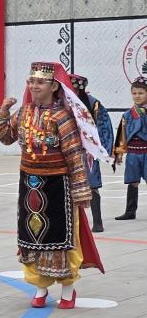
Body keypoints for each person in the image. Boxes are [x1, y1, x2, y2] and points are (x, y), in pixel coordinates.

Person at [0, 62, 107, 309]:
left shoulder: (62, 116)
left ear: (54, 86)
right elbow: (6, 138)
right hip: (29, 183)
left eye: (40, 82)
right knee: (32, 235)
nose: (34, 86)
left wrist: (81, 189)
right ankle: (40, 288)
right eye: (31, 81)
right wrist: (3, 112)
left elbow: (74, 154)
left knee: (61, 237)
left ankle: (67, 290)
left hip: (58, 185)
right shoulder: (23, 113)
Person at [70, 74, 114, 231]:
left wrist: (104, 150)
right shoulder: (62, 102)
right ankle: (70, 222)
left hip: (88, 151)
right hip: (68, 149)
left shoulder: (93, 103)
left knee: (92, 185)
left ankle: (97, 222)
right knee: (67, 185)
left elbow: (104, 126)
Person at [113, 76, 147, 221]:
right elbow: (122, 135)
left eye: (141, 93)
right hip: (133, 152)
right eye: (134, 93)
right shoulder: (127, 115)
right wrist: (119, 153)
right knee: (133, 181)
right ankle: (130, 211)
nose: (137, 96)